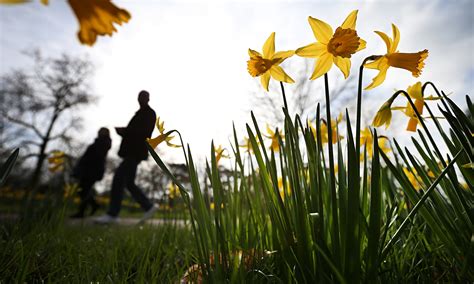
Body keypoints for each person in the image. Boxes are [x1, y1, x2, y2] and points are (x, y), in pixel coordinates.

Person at [95, 90, 158, 224]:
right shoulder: (139, 113)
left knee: (119, 178)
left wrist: (125, 131)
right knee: (129, 182)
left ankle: (113, 214)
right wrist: (125, 132)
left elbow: (144, 132)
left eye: (143, 97)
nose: (141, 99)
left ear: (148, 99)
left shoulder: (149, 113)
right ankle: (148, 206)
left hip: (135, 152)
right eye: (139, 96)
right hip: (132, 152)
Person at [70, 127, 112, 218]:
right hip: (88, 170)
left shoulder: (103, 143)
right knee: (84, 190)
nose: (99, 132)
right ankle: (93, 205)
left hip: (92, 170)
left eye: (101, 131)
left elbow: (96, 156)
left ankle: (82, 212)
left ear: (105, 133)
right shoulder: (98, 142)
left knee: (84, 190)